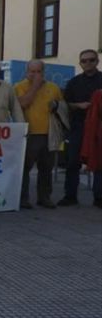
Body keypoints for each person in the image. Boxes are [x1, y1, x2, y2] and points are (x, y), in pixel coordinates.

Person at [14, 60, 63, 209]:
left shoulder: (53, 88)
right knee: (25, 168)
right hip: (29, 134)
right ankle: (23, 198)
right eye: (32, 71)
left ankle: (44, 197)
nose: (35, 75)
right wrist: (35, 86)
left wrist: (57, 106)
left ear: (44, 72)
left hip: (49, 134)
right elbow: (22, 104)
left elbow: (61, 108)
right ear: (26, 72)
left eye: (38, 72)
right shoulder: (19, 87)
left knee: (46, 168)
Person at [60, 49, 102, 207]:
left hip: (99, 127)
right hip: (78, 126)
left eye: (91, 60)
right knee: (72, 161)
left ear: (97, 61)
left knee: (100, 162)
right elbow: (66, 104)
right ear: (80, 63)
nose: (88, 63)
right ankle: (70, 196)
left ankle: (99, 197)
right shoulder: (74, 82)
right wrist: (79, 105)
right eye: (84, 61)